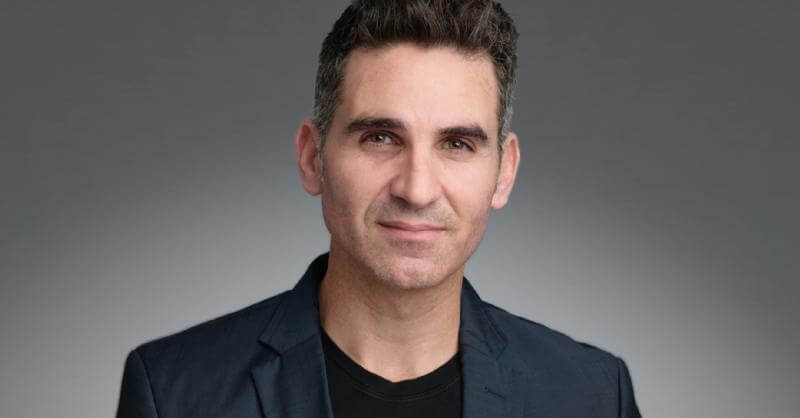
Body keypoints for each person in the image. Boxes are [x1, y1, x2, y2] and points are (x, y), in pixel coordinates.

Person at [116, 1, 641, 417]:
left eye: (457, 144)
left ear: (504, 173)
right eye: (381, 137)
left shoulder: (593, 397)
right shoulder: (174, 393)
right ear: (312, 157)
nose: (417, 189)